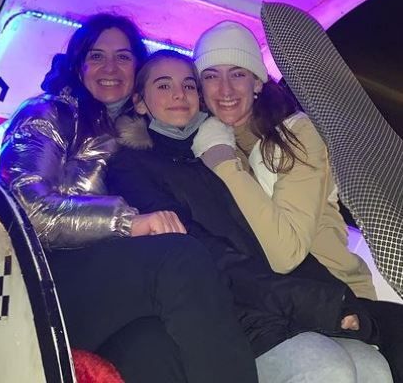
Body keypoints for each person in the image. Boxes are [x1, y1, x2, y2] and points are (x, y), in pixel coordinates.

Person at [0, 13, 258, 383]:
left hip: (108, 287)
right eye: (97, 56)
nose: (110, 67)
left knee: (153, 346)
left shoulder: (133, 135)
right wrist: (126, 222)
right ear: (78, 65)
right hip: (47, 283)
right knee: (179, 257)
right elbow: (26, 210)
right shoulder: (50, 113)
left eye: (123, 57)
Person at [107, 49, 394, 383]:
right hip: (228, 312)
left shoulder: (217, 154)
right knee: (325, 368)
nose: (179, 94)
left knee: (374, 368)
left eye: (189, 85)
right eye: (163, 85)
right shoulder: (131, 167)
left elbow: (266, 238)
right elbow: (204, 252)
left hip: (277, 301)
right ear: (140, 103)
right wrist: (315, 304)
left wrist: (336, 297)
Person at [192, 20, 402, 381]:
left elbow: (285, 252)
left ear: (257, 82)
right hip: (271, 306)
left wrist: (222, 161)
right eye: (211, 76)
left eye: (238, 73)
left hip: (338, 296)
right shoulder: (204, 147)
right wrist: (219, 153)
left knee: (374, 373)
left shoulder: (297, 134)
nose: (224, 89)